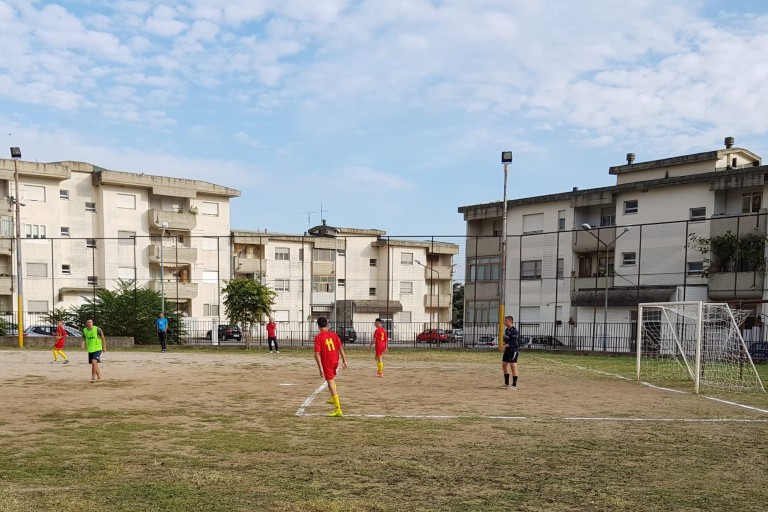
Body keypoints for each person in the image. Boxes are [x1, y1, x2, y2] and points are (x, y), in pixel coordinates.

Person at [314, 316, 348, 417]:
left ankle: (338, 409)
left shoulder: (318, 337)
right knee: (332, 380)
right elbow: (341, 348)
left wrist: (320, 368)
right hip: (335, 361)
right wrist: (345, 361)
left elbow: (317, 354)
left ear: (318, 326)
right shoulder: (334, 335)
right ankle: (332, 398)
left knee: (330, 383)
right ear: (327, 325)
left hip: (327, 363)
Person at [81, 319, 106, 383]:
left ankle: (93, 377)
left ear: (92, 323)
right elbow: (83, 338)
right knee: (94, 363)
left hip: (98, 348)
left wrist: (104, 347)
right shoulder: (84, 330)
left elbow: (103, 338)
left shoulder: (97, 329)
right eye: (88, 322)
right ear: (86, 323)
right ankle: (99, 377)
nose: (89, 323)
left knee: (94, 361)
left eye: (90, 322)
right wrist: (83, 345)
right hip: (90, 349)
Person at [502, 315, 519, 389]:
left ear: (510, 321)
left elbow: (514, 341)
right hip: (507, 350)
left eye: (506, 321)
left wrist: (506, 345)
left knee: (513, 366)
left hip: (513, 350)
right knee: (504, 364)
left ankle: (514, 385)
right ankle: (506, 383)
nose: (504, 322)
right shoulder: (506, 330)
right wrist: (503, 344)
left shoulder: (514, 330)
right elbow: (506, 339)